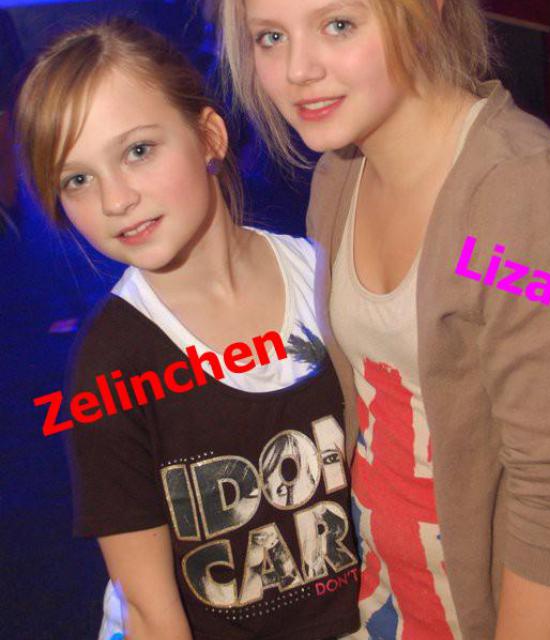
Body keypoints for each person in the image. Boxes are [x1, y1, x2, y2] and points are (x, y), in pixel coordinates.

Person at [216, 0, 550, 638]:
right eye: (271, 37)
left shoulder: (519, 199)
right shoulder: (339, 176)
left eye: (338, 24)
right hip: (385, 594)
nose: (297, 70)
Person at [15, 18, 360, 640]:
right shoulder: (112, 363)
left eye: (137, 151)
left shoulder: (327, 274)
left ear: (209, 137)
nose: (115, 199)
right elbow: (151, 614)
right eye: (78, 179)